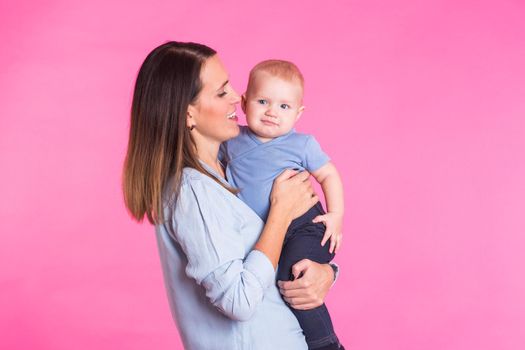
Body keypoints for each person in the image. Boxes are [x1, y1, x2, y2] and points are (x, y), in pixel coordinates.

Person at [122, 41, 339, 350]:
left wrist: (324, 273)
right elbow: (238, 301)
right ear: (188, 115)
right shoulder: (192, 191)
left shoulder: (231, 170)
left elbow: (270, 267)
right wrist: (280, 213)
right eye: (221, 92)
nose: (237, 99)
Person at [220, 60, 344, 349]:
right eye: (263, 101)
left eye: (284, 107)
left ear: (298, 113)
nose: (272, 112)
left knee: (293, 276)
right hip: (272, 232)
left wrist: (336, 214)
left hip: (306, 227)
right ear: (244, 102)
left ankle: (326, 343)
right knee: (270, 277)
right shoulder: (232, 139)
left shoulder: (301, 144)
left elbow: (329, 175)